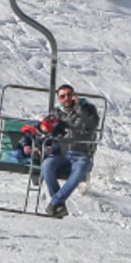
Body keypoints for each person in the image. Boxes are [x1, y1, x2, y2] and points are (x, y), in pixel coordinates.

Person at [39, 83, 100, 218]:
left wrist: (79, 106)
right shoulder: (56, 112)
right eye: (62, 96)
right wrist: (44, 128)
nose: (66, 98)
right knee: (47, 165)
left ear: (74, 95)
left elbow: (92, 124)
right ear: (59, 99)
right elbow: (46, 128)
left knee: (81, 169)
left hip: (81, 154)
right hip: (61, 153)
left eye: (69, 95)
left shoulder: (88, 108)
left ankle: (56, 202)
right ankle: (59, 206)